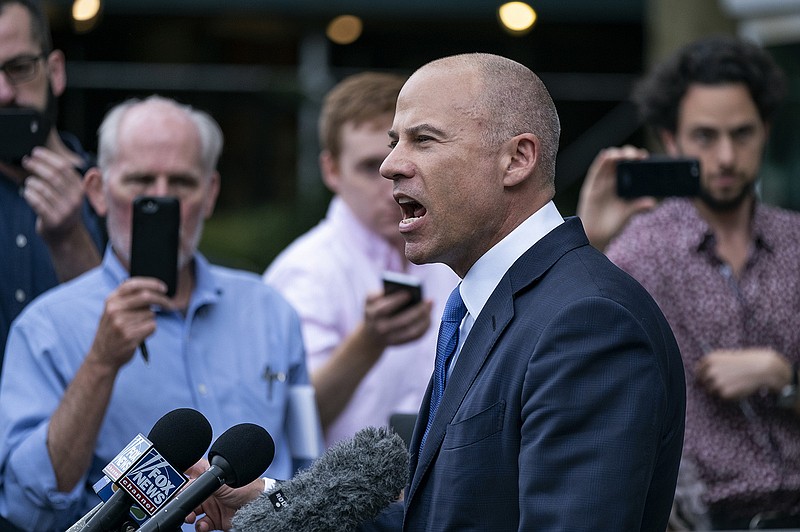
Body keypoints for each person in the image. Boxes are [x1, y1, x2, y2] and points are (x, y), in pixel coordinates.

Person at [188, 52, 686, 532]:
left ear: (517, 159)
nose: (390, 165)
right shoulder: (487, 303)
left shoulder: (589, 323)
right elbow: (437, 517)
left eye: (423, 140)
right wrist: (275, 508)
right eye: (393, 141)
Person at [0, 96, 318, 531]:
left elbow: (310, 464)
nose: (162, 198)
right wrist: (99, 364)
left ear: (210, 195)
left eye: (182, 182)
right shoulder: (46, 327)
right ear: (97, 190)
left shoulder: (270, 311)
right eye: (141, 180)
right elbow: (27, 507)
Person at [576, 36, 800, 530]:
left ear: (766, 130)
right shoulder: (636, 252)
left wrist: (784, 378)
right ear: (670, 140)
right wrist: (587, 243)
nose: (725, 156)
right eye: (705, 136)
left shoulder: (796, 244)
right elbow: (573, 370)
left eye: (742, 134)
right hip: (700, 520)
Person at [264, 72, 458, 447]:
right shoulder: (306, 270)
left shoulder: (451, 251)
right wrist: (367, 342)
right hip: (345, 502)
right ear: (331, 170)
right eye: (370, 167)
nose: (392, 181)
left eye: (408, 159)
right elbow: (288, 422)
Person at [0, 0, 104, 369]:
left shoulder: (112, 192)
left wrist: (72, 241)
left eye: (18, 68)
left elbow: (144, 350)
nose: (4, 94)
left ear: (56, 71)